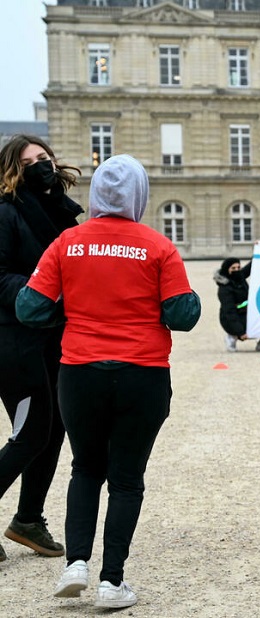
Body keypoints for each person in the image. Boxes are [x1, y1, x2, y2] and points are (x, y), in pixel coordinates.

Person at [16, 154, 200, 608]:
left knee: (85, 468)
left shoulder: (67, 242)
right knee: (127, 479)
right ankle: (112, 581)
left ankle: (75, 562)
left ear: (96, 193)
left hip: (80, 371)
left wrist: (73, 307)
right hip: (142, 371)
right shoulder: (158, 246)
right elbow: (184, 314)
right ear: (139, 195)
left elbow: (29, 308)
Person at [0, 135, 82, 564]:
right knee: (30, 432)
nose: (40, 165)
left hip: (56, 339)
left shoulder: (63, 214)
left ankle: (28, 519)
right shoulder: (5, 213)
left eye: (44, 158)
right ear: (12, 169)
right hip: (14, 340)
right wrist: (41, 292)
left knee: (53, 432)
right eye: (28, 161)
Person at [214, 257, 258, 352]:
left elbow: (251, 266)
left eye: (238, 267)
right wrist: (240, 332)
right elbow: (229, 312)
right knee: (238, 328)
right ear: (227, 270)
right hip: (231, 317)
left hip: (247, 312)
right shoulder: (224, 289)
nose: (236, 270)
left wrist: (259, 251)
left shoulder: (240, 276)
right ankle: (231, 338)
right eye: (233, 268)